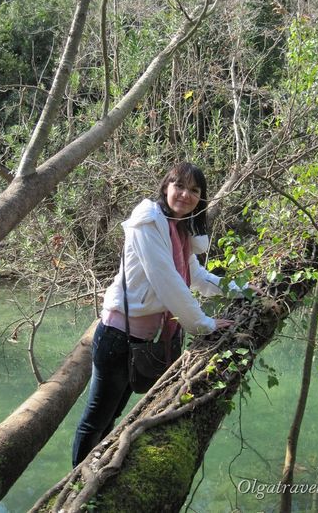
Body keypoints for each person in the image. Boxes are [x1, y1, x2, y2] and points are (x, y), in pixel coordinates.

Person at [72, 162, 242, 467]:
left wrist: (242, 290)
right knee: (96, 418)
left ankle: (94, 466)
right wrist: (203, 324)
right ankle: (78, 483)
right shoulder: (148, 222)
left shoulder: (179, 229)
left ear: (201, 199)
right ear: (166, 186)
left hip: (145, 339)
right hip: (118, 337)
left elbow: (197, 278)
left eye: (194, 190)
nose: (185, 194)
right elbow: (168, 282)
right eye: (179, 186)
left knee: (114, 414)